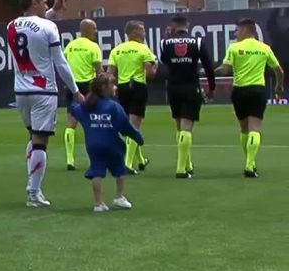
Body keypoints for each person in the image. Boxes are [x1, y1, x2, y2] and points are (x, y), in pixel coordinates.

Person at [6, 0, 82, 208]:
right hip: (44, 90)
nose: (45, 5)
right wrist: (75, 90)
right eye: (43, 2)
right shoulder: (50, 27)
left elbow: (32, 28)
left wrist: (52, 11)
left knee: (33, 137)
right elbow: (60, 62)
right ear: (34, 2)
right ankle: (33, 192)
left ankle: (32, 184)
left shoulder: (11, 26)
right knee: (40, 141)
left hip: (21, 91)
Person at [215, 19, 284, 178]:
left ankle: (249, 161)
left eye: (238, 30)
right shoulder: (264, 48)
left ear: (246, 30)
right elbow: (279, 70)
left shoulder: (234, 48)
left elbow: (225, 70)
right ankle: (250, 164)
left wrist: (210, 72)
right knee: (255, 128)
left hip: (239, 91)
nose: (236, 34)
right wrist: (278, 86)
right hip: (257, 90)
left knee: (244, 129)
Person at [69, 73, 142, 212]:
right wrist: (138, 137)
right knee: (120, 169)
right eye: (112, 85)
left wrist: (76, 101)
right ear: (104, 88)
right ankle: (119, 197)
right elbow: (125, 127)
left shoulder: (86, 107)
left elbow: (74, 110)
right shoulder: (113, 107)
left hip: (93, 146)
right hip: (112, 145)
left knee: (96, 171)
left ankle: (98, 203)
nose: (115, 87)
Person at [158, 15, 215, 178]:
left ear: (173, 26)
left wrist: (168, 36)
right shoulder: (197, 42)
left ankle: (187, 164)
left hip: (173, 88)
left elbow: (163, 60)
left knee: (179, 126)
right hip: (191, 87)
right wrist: (211, 87)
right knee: (187, 128)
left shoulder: (164, 42)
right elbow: (208, 66)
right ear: (187, 25)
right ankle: (181, 168)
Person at [107, 21, 157, 174]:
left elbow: (109, 74)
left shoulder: (117, 50)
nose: (144, 33)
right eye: (142, 30)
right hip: (137, 86)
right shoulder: (143, 49)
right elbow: (150, 74)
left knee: (129, 124)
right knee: (134, 125)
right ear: (134, 32)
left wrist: (111, 88)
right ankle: (127, 164)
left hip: (122, 88)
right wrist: (155, 67)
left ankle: (140, 160)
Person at [62, 19, 103, 171]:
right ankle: (95, 158)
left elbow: (63, 65)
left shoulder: (70, 46)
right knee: (92, 122)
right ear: (85, 29)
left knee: (71, 122)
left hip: (72, 86)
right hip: (88, 86)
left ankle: (70, 159)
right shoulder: (93, 47)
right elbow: (99, 72)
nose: (96, 31)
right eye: (94, 28)